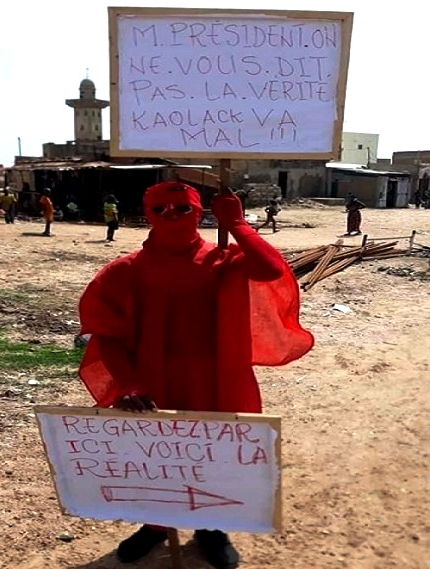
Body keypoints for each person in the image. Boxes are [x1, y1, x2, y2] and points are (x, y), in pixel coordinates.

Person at [77, 182, 314, 569]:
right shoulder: (124, 270)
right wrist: (129, 381)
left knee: (213, 455)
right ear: (147, 214)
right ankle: (155, 526)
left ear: (199, 211)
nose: (171, 215)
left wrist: (237, 223)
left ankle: (211, 528)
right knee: (156, 457)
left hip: (217, 377)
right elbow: (106, 334)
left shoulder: (223, 260)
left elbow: (271, 269)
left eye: (182, 208)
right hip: (153, 381)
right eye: (161, 209)